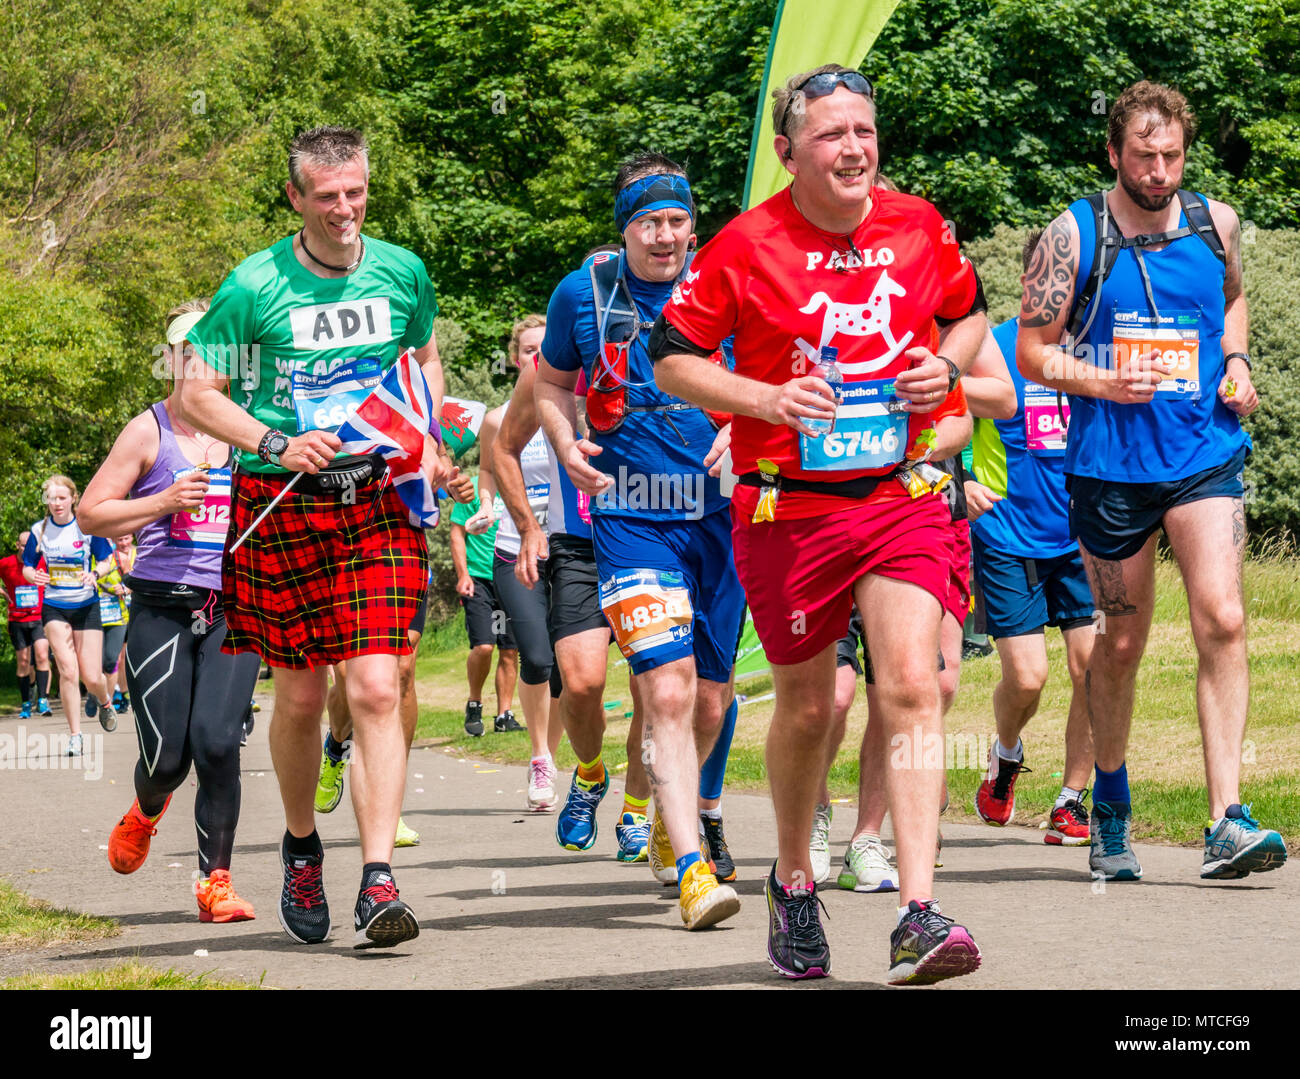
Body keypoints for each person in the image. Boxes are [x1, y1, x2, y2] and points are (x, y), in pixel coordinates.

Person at [652, 65, 988, 982]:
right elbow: (671, 361)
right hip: (785, 504)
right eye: (833, 134)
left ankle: (918, 909)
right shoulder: (745, 244)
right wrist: (764, 397)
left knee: (914, 683)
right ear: (788, 149)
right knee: (808, 705)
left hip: (899, 493)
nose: (854, 149)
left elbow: (967, 319)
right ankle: (794, 878)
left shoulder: (921, 225)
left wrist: (943, 370)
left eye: (865, 131)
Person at [180, 125, 452, 948]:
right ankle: (302, 845)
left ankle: (378, 880)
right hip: (281, 503)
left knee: (375, 687)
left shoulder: (402, 271)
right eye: (327, 195)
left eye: (357, 192)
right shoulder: (254, 284)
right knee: (301, 695)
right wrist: (272, 442)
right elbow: (197, 392)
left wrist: (427, 435)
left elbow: (427, 359)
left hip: (375, 502)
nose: (345, 209)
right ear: (296, 197)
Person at [1017, 81, 1287, 882]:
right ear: (1114, 152)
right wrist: (1102, 381)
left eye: (1172, 155)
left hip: (1205, 452)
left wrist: (1236, 362)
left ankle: (1226, 819)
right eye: (1145, 155)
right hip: (1110, 467)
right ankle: (1108, 802)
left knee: (1225, 618)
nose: (1160, 170)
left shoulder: (1216, 223)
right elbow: (1034, 351)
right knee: (1124, 641)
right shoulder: (1074, 233)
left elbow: (1233, 303)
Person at [535, 152, 744, 929]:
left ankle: (671, 814)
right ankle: (693, 869)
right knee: (665, 685)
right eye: (648, 222)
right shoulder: (580, 294)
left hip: (722, 519)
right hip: (631, 519)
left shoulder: (728, 282)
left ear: (694, 223)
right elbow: (552, 385)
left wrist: (743, 431)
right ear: (624, 228)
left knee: (713, 700)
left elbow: (774, 371)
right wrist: (562, 438)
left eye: (677, 221)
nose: (664, 236)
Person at [80, 299, 263, 922]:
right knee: (166, 759)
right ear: (173, 362)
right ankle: (146, 808)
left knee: (217, 744)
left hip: (235, 606)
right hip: (162, 604)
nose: (201, 365)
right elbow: (90, 512)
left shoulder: (256, 427)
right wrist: (160, 501)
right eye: (189, 354)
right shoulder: (149, 429)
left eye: (213, 354)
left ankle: (216, 883)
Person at [493, 307, 654, 861]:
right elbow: (504, 448)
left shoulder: (667, 347)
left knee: (653, 692)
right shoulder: (548, 365)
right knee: (580, 684)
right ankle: (588, 775)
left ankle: (636, 812)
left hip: (651, 536)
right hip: (578, 543)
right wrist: (529, 527)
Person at [966, 231, 1096, 844]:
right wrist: (957, 480)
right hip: (1008, 532)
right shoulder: (990, 347)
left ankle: (1072, 800)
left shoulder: (1094, 344)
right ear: (1029, 285)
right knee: (1027, 679)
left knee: (1097, 668)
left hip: (1086, 536)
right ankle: (1006, 756)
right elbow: (940, 420)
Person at [471, 349, 565, 809]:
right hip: (513, 548)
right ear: (514, 357)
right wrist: (487, 505)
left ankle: (560, 754)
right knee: (538, 658)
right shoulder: (496, 418)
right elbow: (488, 469)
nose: (538, 356)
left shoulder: (571, 405)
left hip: (568, 547)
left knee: (572, 667)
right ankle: (540, 755)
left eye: (545, 348)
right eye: (529, 349)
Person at [23, 475, 115, 754]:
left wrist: (95, 573)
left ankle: (105, 701)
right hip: (54, 605)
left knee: (91, 676)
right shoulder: (40, 530)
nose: (56, 503)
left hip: (86, 605)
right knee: (67, 669)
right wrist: (34, 576)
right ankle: (75, 735)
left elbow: (107, 560)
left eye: (62, 498)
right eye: (51, 498)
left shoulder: (87, 527)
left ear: (74, 498)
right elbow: (27, 565)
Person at [449, 473, 519, 740]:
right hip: (478, 581)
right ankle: (475, 703)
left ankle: (504, 715)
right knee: (484, 645)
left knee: (509, 650)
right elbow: (456, 534)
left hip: (509, 578)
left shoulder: (517, 484)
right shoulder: (472, 488)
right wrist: (463, 574)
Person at [2, 531, 51, 719]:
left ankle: (43, 701)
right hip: (17, 620)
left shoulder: (42, 561)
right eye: (23, 545)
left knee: (41, 655)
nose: (26, 549)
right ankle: (25, 703)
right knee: (23, 662)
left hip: (39, 617)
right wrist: (4, 593)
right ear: (17, 545)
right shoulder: (6, 564)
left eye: (30, 545)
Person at [95, 534, 135, 714]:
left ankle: (124, 693)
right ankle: (119, 694)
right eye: (120, 540)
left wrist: (127, 589)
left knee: (125, 657)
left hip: (135, 610)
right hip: (114, 612)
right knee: (116, 657)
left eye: (127, 539)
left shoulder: (138, 554)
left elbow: (141, 579)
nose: (124, 543)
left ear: (132, 537)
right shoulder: (107, 557)